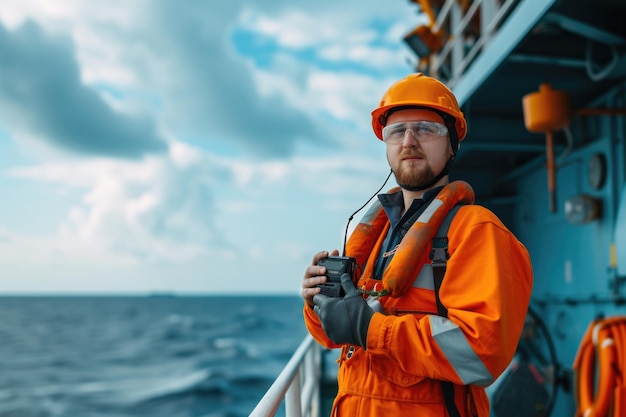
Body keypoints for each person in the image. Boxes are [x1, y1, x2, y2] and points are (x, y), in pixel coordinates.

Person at [301, 73, 533, 416]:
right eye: (397, 131)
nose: (409, 141)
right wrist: (318, 304)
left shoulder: (477, 230)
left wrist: (372, 329)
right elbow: (337, 338)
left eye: (425, 129)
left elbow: (482, 353)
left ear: (452, 143)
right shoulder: (378, 234)